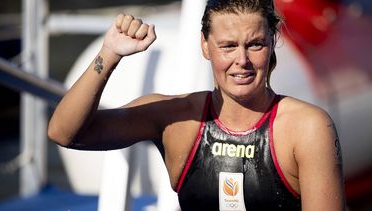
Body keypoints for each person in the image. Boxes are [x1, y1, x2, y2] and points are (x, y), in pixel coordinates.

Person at [48, 0, 345, 210]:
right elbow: (65, 133)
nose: (241, 60)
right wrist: (109, 54)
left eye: (255, 44)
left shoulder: (306, 126)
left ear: (272, 42)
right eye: (228, 46)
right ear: (205, 45)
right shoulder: (177, 120)